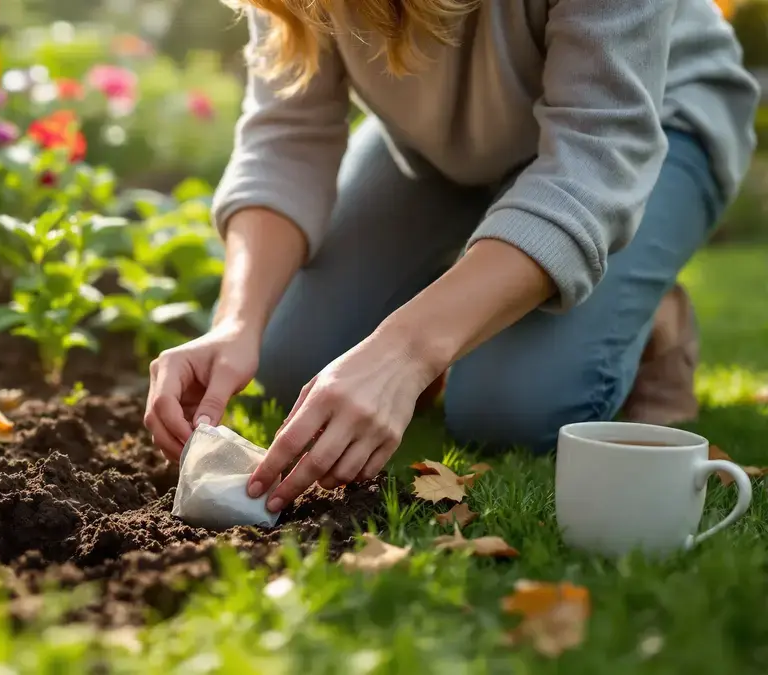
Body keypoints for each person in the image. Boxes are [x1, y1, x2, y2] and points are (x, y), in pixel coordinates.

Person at [143, 0, 759, 514]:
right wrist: (236, 321)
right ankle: (480, 282)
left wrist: (405, 352)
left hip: (645, 130)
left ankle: (650, 315)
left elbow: (594, 164)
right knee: (288, 358)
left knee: (511, 408)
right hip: (443, 151)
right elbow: (287, 136)